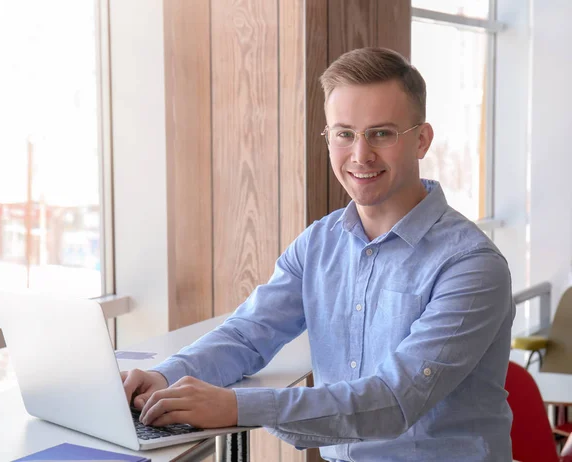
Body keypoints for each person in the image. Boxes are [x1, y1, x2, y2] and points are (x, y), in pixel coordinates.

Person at [122, 47, 515, 461]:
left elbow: (396, 399)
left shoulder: (472, 265)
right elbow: (247, 334)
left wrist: (236, 407)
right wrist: (163, 376)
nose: (360, 155)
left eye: (381, 133)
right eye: (344, 133)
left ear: (421, 140)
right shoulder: (319, 244)